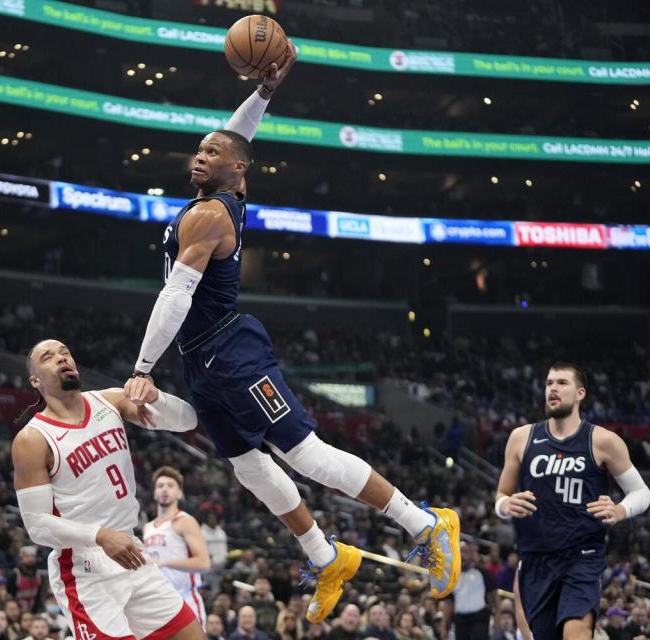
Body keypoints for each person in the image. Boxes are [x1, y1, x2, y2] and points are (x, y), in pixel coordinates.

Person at [123, 40, 459, 625]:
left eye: (210, 152)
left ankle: (425, 522)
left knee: (305, 455)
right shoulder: (213, 194)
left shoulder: (212, 214)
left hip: (231, 349)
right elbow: (236, 138)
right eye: (197, 150)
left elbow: (175, 295)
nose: (199, 156)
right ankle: (324, 555)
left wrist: (142, 370)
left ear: (239, 171)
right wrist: (264, 91)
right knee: (248, 466)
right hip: (200, 360)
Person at [12, 339, 205, 640]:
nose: (61, 359)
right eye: (49, 358)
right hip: (84, 566)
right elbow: (37, 526)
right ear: (35, 380)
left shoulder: (110, 401)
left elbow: (188, 420)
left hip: (131, 550)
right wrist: (99, 536)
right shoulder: (33, 439)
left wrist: (157, 398)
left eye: (65, 353)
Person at [495, 362, 650, 640]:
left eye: (561, 383)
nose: (552, 388)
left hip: (581, 557)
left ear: (580, 393)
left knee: (576, 634)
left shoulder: (602, 440)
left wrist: (619, 509)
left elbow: (642, 493)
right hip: (535, 559)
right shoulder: (521, 438)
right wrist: (505, 505)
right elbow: (501, 496)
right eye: (549, 383)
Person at [143, 467, 211, 626]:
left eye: (170, 485)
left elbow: (204, 563)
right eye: (160, 486)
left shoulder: (185, 521)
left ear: (179, 493)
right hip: (158, 601)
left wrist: (164, 562)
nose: (164, 489)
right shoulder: (148, 527)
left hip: (185, 598)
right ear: (154, 493)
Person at [452, 543, 495, 640]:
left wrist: (497, 619)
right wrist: (444, 626)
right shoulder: (452, 576)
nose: (462, 555)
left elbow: (494, 595)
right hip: (460, 620)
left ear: (471, 554)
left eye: (465, 552)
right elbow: (449, 602)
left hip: (479, 618)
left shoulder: (482, 573)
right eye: (460, 552)